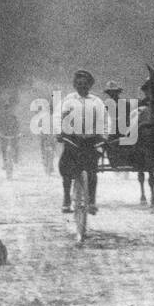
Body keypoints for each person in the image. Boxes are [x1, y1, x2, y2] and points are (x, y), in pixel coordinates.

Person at [57, 69, 106, 214]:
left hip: (91, 140)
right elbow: (60, 116)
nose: (82, 86)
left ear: (89, 86)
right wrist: (60, 131)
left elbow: (104, 119)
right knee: (66, 167)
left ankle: (91, 201)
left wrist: (104, 135)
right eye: (79, 84)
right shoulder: (68, 100)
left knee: (92, 171)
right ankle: (66, 198)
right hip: (73, 138)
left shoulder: (97, 101)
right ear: (75, 85)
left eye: (85, 84)